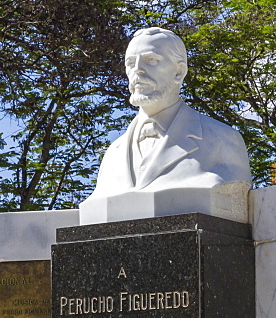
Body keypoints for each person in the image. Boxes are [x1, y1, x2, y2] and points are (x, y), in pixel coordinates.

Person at [81, 28, 250, 210]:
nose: (137, 70)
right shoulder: (113, 154)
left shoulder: (223, 140)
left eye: (151, 60)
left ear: (179, 71)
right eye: (130, 63)